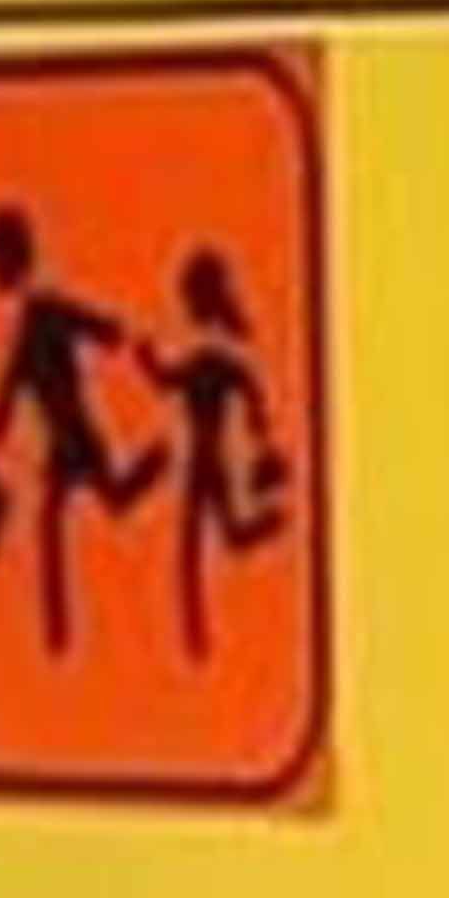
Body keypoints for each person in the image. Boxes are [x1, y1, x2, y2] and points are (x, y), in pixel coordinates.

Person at [0, 204, 168, 657]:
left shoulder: (46, 311)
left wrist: (115, 332)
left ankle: (158, 461)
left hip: (78, 434)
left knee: (110, 503)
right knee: (61, 521)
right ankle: (57, 634)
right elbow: (13, 380)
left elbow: (87, 323)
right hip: (61, 443)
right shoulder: (27, 322)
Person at [139, 247, 292, 662]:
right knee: (211, 542)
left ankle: (197, 640)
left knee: (207, 544)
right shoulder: (213, 359)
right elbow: (169, 380)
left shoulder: (212, 359)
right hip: (203, 461)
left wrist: (261, 431)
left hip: (208, 462)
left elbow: (171, 379)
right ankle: (196, 639)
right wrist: (147, 359)